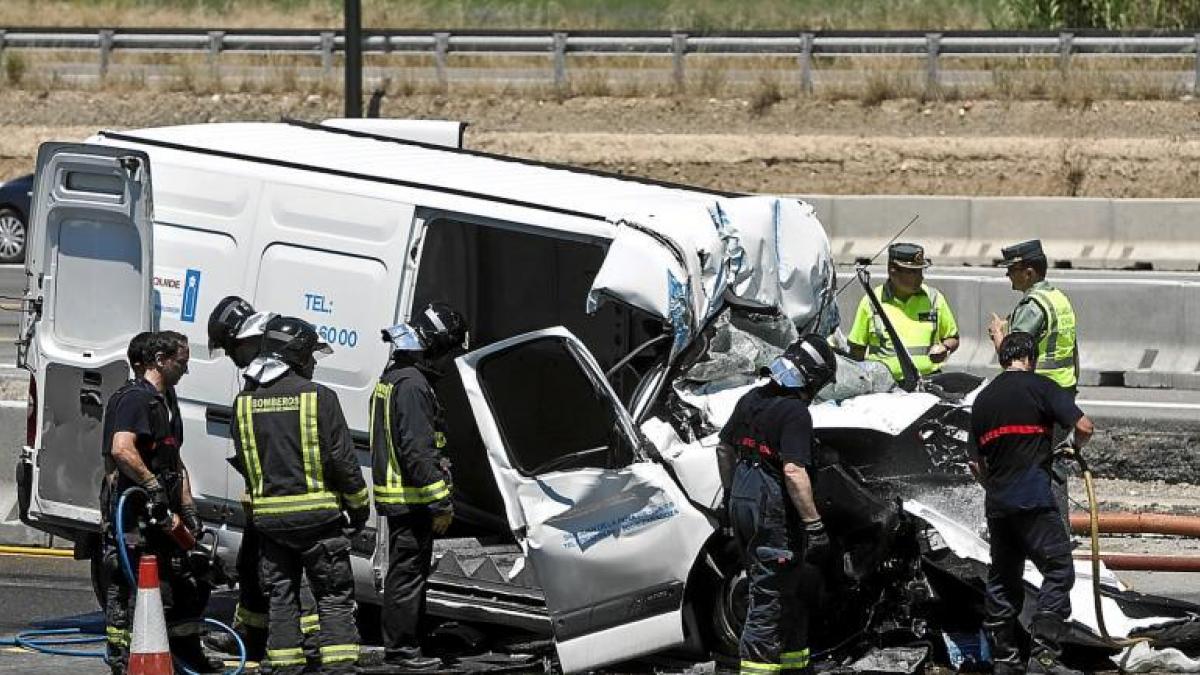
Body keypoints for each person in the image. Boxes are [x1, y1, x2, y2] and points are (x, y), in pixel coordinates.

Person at [230, 315, 369, 675]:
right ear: (297, 355)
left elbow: (245, 459)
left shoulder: (244, 402)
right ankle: (339, 669)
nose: (313, 363)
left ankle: (284, 667)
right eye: (311, 356)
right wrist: (358, 508)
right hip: (319, 520)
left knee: (282, 596)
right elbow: (342, 460)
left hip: (269, 524)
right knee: (334, 596)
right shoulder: (320, 397)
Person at [206, 296, 324, 666]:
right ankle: (253, 635)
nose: (231, 358)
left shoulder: (273, 352)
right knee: (251, 565)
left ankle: (304, 642)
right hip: (267, 486)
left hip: (284, 488)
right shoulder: (267, 349)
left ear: (241, 339)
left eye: (229, 349)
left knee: (285, 571)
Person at [969, 332, 1095, 675]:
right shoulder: (1040, 386)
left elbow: (975, 464)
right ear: (1031, 358)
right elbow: (1084, 426)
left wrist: (995, 487)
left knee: (1003, 579)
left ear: (1002, 358)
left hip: (998, 505)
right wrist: (1072, 448)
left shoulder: (983, 400)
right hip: (1034, 501)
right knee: (1057, 569)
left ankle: (1005, 660)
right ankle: (1044, 657)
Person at [101, 331, 223, 674]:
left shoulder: (166, 401)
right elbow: (121, 449)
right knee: (129, 586)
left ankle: (184, 651)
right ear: (159, 360)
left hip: (163, 512)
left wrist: (188, 510)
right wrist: (151, 485)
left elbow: (174, 458)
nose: (186, 369)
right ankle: (124, 659)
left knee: (190, 579)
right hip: (135, 516)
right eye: (181, 362)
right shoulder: (134, 399)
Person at [716, 334, 838, 675]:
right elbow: (794, 471)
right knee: (769, 599)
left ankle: (795, 667)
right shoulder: (795, 412)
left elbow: (724, 449)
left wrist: (730, 496)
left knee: (789, 591)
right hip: (771, 508)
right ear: (811, 379)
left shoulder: (752, 398)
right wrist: (814, 525)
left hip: (744, 498)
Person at [372, 302, 469, 671]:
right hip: (411, 502)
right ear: (434, 344)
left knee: (406, 573)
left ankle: (406, 643)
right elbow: (418, 453)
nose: (446, 361)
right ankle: (402, 651)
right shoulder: (413, 386)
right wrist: (441, 503)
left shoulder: (396, 376)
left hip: (402, 499)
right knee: (407, 576)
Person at [987, 239, 1080, 525]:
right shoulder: (1058, 298)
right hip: (1062, 391)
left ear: (1028, 273)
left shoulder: (1033, 305)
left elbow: (1012, 358)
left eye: (1012, 270)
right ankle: (1054, 529)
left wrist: (997, 334)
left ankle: (1044, 531)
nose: (1008, 276)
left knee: (1033, 465)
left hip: (1036, 397)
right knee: (1053, 463)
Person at [847, 242, 960, 382]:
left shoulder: (934, 298)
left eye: (921, 271)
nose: (920, 277)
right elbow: (857, 352)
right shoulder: (872, 302)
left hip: (928, 384)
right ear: (892, 270)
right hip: (885, 388)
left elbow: (953, 337)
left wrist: (945, 348)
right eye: (913, 272)